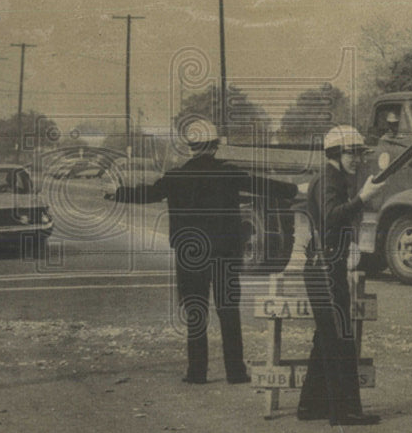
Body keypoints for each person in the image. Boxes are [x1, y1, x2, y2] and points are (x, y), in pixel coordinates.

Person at [113, 119, 298, 384]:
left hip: (191, 254)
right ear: (215, 146)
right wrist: (294, 189)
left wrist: (115, 193)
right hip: (225, 253)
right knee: (228, 310)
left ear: (190, 147)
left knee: (196, 310)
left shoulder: (175, 177)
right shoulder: (228, 173)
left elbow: (147, 194)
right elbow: (261, 184)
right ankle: (235, 371)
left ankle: (196, 372)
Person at [296, 125, 385, 425]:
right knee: (340, 339)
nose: (357, 159)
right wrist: (363, 198)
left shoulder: (332, 179)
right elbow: (332, 216)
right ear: (335, 153)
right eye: (351, 152)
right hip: (324, 269)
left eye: (359, 153)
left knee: (327, 338)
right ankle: (343, 412)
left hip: (325, 266)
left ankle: (310, 406)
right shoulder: (328, 181)